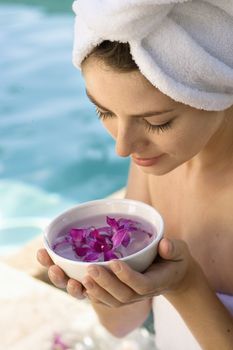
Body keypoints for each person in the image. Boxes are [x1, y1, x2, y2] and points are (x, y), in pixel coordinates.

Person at [37, 1, 233, 349]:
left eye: (157, 122)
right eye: (104, 111)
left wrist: (184, 285)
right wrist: (97, 283)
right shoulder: (156, 162)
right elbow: (122, 324)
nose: (123, 148)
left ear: (221, 91)